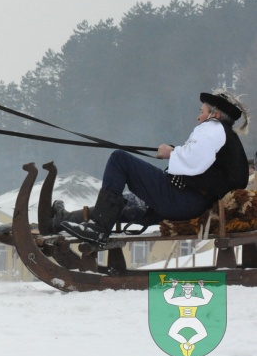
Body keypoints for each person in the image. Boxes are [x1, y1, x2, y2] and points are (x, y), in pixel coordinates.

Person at [56, 90, 250, 248]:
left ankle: (98, 229)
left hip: (183, 200)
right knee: (132, 206)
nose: (198, 117)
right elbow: (204, 165)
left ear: (214, 114)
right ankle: (60, 221)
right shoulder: (228, 139)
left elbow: (194, 161)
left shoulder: (213, 127)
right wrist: (175, 152)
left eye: (202, 111)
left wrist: (170, 153)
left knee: (119, 159)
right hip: (192, 203)